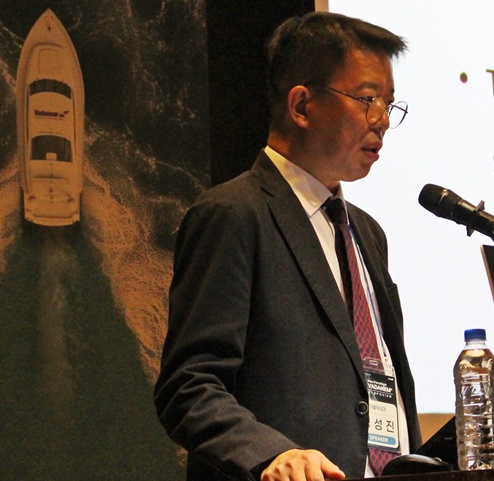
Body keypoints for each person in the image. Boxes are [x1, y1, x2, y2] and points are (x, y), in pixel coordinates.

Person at [153, 11, 422, 481]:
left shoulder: (367, 233)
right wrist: (271, 455)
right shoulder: (234, 214)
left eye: (388, 103)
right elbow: (189, 386)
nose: (382, 121)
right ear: (301, 105)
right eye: (366, 99)